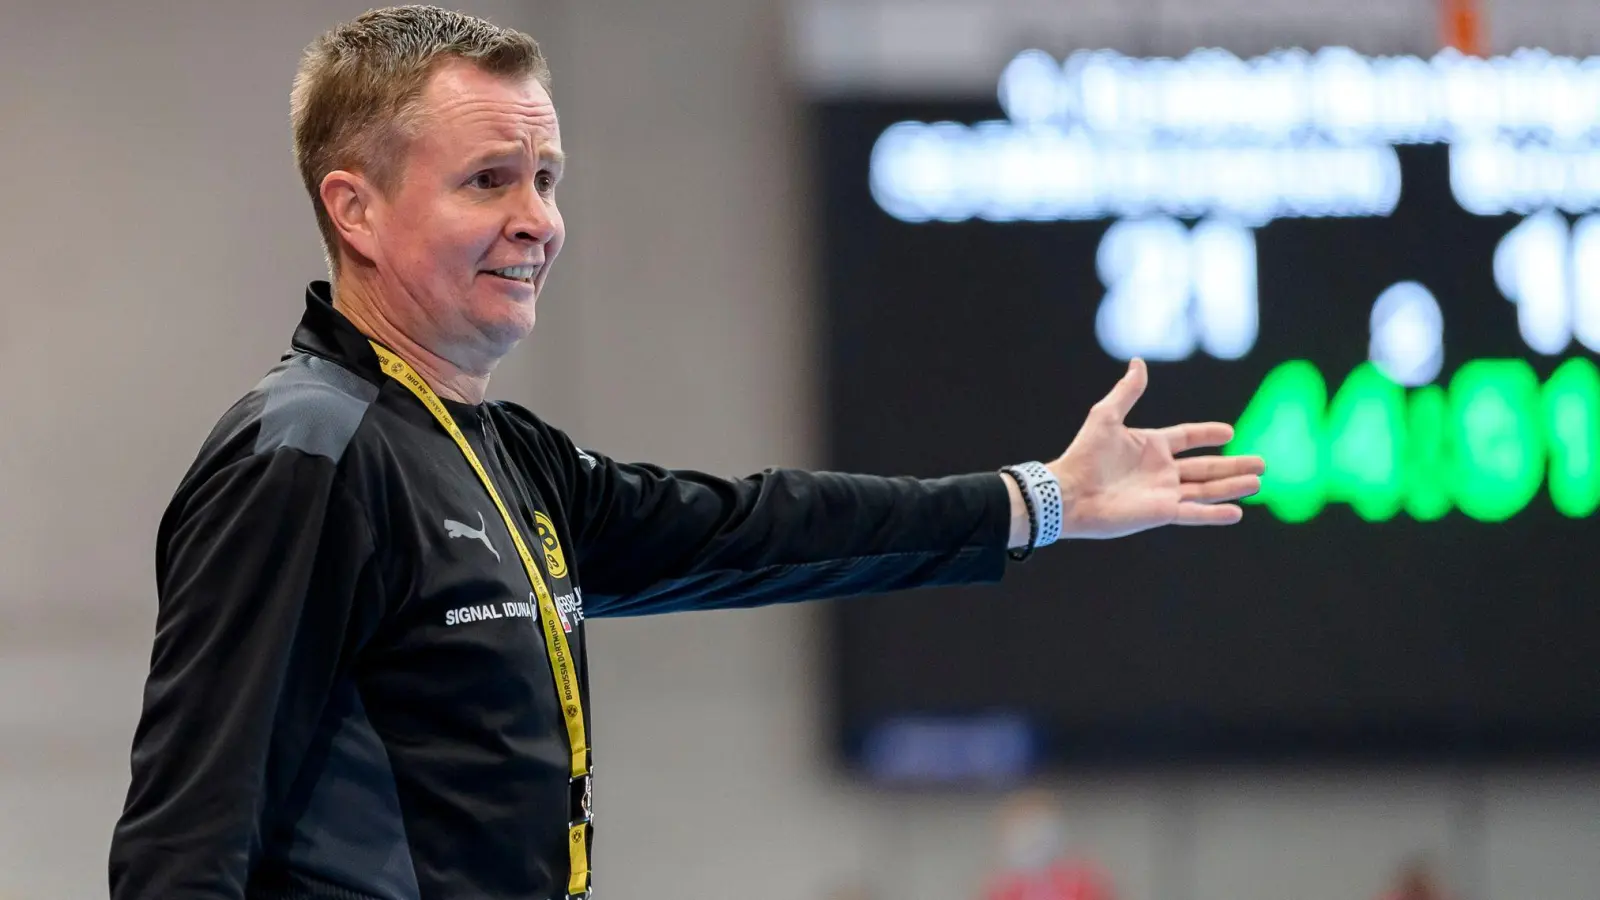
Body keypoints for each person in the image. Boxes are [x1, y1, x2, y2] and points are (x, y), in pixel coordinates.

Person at [106, 6, 1264, 899]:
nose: (538, 219)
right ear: (353, 210)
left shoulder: (498, 458)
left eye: (547, 179)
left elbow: (755, 529)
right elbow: (185, 837)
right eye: (488, 181)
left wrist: (1040, 500)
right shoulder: (308, 453)